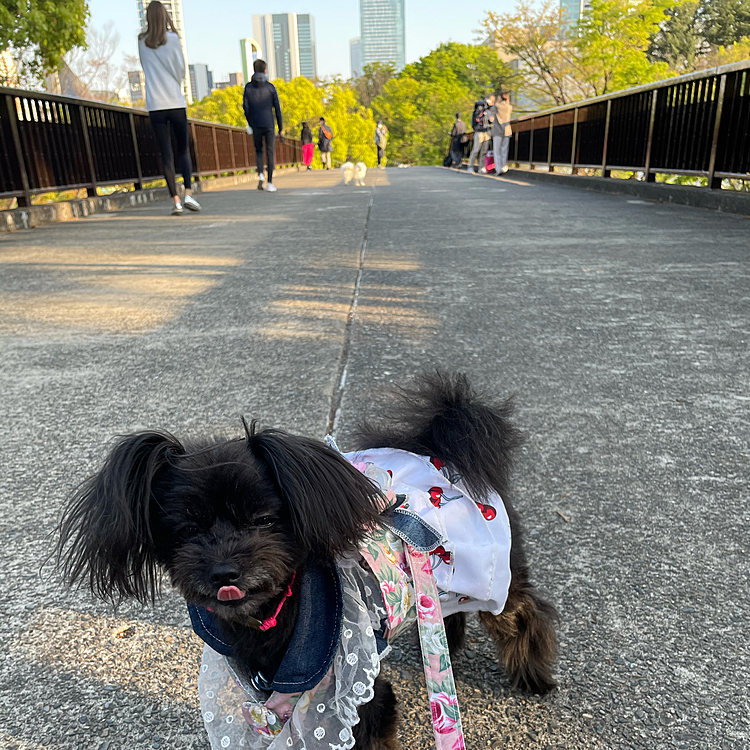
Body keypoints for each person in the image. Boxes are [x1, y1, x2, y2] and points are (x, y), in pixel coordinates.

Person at [138, 0, 200, 215]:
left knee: (166, 155)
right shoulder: (173, 39)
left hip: (155, 105)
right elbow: (180, 71)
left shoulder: (141, 41)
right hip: (175, 102)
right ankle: (189, 194)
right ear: (165, 16)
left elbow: (145, 67)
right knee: (183, 150)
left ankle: (175, 201)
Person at [243, 59, 283, 192]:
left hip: (256, 124)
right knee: (270, 152)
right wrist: (280, 128)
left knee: (259, 150)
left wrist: (250, 122)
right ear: (265, 70)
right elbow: (277, 109)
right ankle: (270, 182)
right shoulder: (270, 88)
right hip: (269, 124)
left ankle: (260, 174)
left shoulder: (248, 87)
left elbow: (246, 107)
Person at [466, 93, 495, 174]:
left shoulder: (489, 111)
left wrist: (490, 120)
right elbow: (478, 120)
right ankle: (470, 166)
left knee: (484, 151)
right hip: (479, 132)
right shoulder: (479, 109)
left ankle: (481, 167)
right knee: (476, 150)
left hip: (486, 131)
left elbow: (489, 121)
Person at [489, 92, 513, 174]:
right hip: (507, 130)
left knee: (497, 151)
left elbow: (491, 111)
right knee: (504, 150)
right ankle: (503, 166)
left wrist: (496, 101)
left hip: (497, 130)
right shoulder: (509, 107)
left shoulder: (496, 106)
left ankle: (498, 168)